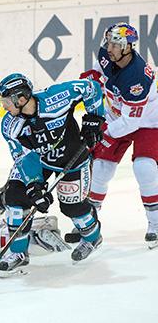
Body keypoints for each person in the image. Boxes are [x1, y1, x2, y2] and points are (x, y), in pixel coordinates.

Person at [0, 72, 105, 276]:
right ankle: (18, 253)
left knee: (73, 208)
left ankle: (92, 237)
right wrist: (35, 186)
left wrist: (94, 118)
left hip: (72, 161)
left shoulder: (57, 97)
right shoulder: (10, 125)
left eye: (6, 101)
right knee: (15, 198)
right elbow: (23, 158)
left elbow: (91, 87)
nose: (4, 106)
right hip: (39, 161)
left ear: (22, 98)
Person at [79, 23, 158, 249]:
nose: (109, 48)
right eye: (109, 42)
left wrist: (101, 133)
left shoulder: (136, 77)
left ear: (127, 47)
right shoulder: (108, 54)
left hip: (147, 122)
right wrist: (89, 83)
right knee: (101, 169)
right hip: (116, 115)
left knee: (144, 167)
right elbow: (98, 70)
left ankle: (156, 223)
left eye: (115, 44)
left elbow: (132, 121)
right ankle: (90, 225)